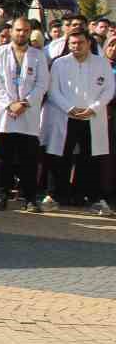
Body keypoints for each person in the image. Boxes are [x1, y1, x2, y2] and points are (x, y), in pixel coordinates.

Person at [42, 28, 113, 210]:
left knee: (91, 158)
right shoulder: (59, 63)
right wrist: (69, 108)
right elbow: (53, 90)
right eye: (72, 43)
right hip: (66, 116)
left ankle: (94, 198)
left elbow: (109, 89)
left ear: (89, 43)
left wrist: (94, 108)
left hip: (92, 117)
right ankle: (53, 195)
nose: (76, 46)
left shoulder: (101, 63)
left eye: (80, 42)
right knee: (59, 156)